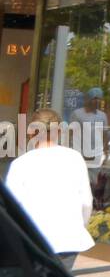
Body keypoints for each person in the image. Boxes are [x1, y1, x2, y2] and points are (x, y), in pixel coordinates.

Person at [4, 108, 94, 268]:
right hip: (68, 238)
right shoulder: (74, 158)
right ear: (59, 132)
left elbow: (11, 209)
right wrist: (79, 226)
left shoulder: (20, 164)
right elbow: (86, 202)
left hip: (33, 240)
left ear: (31, 133)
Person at [69, 87, 108, 167]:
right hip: (79, 153)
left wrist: (106, 152)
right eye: (95, 99)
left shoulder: (102, 115)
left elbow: (105, 135)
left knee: (93, 177)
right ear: (88, 99)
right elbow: (71, 134)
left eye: (99, 99)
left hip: (95, 154)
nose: (97, 101)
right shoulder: (77, 114)